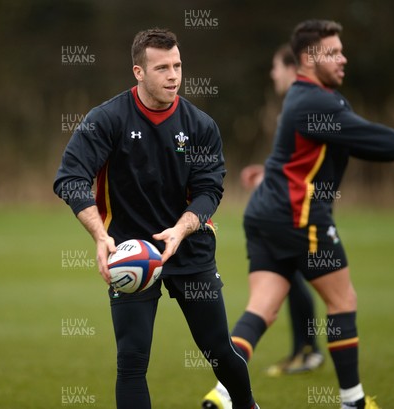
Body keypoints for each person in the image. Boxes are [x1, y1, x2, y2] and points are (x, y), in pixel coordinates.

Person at [203, 20, 394, 409]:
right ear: (306, 60)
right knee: (342, 300)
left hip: (265, 214)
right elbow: (366, 137)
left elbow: (353, 140)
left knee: (262, 306)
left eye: (341, 50)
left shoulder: (308, 98)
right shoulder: (315, 101)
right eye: (332, 52)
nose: (343, 58)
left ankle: (223, 393)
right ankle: (354, 401)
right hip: (299, 218)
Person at [54, 28, 259, 409]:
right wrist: (100, 236)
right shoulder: (106, 119)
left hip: (189, 248)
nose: (173, 76)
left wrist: (181, 230)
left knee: (218, 349)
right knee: (131, 362)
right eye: (162, 67)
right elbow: (69, 178)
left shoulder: (200, 126)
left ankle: (247, 405)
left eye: (178, 66)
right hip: (130, 253)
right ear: (138, 72)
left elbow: (208, 192)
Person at [240, 44, 324, 377]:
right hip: (290, 204)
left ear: (291, 68)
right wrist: (267, 174)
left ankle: (310, 352)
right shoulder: (295, 104)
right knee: (291, 275)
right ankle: (306, 350)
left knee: (302, 279)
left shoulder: (304, 103)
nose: (273, 73)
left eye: (276, 67)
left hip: (301, 209)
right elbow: (296, 160)